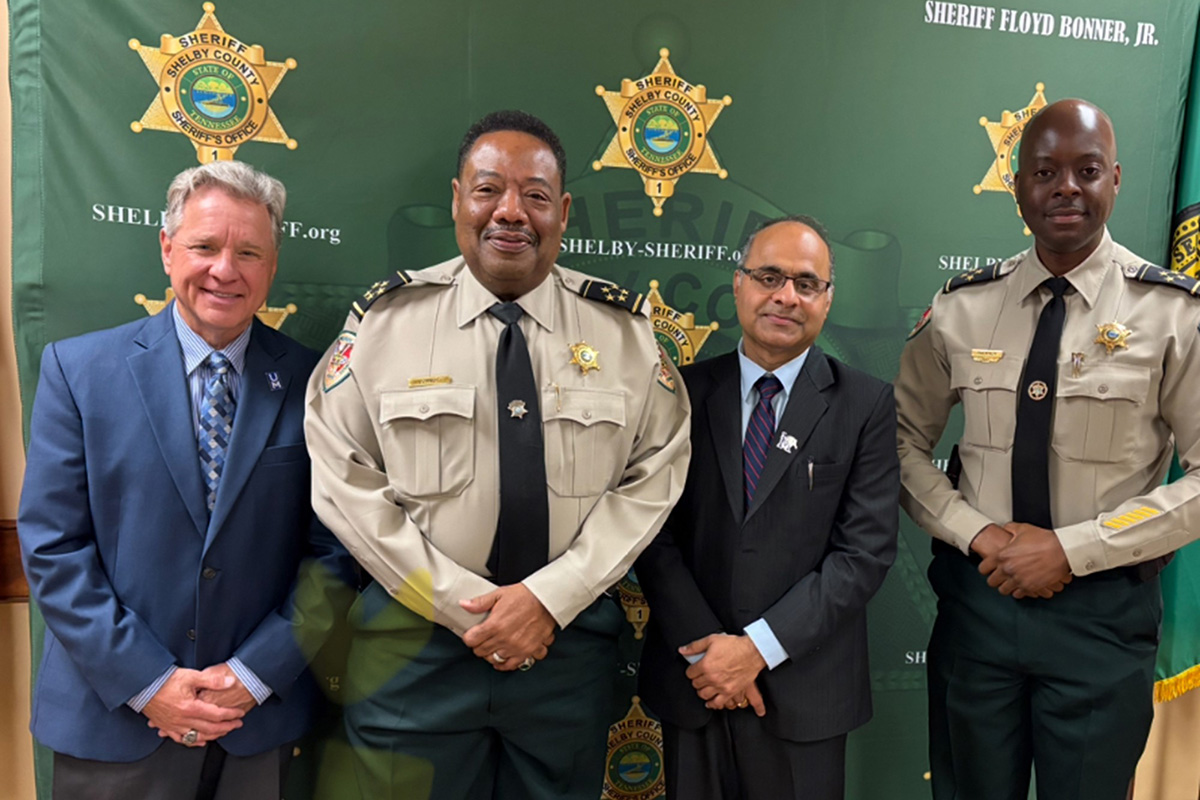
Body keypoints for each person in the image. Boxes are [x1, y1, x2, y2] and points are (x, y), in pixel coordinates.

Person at [304, 109, 692, 800]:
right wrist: (464, 608)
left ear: (563, 211)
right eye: (488, 190)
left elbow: (654, 475)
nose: (511, 212)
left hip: (563, 655)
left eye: (535, 196)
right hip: (414, 652)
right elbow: (342, 480)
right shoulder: (386, 324)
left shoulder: (626, 336)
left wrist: (548, 599)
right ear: (458, 199)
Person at [895, 99, 1200, 800]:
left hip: (1103, 618)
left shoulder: (1174, 315)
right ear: (1019, 188)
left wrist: (1074, 549)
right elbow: (898, 445)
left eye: (1086, 170)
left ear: (1116, 179)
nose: (1066, 186)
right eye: (1045, 171)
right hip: (979, 608)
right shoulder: (962, 307)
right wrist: (980, 535)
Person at [18, 161, 353, 799]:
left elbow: (334, 553)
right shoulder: (77, 370)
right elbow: (53, 546)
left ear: (272, 264)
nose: (226, 270)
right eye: (205, 246)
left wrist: (253, 676)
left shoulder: (319, 383)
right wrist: (151, 684)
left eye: (249, 251)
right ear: (168, 249)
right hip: (114, 721)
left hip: (257, 723)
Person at [635, 216, 899, 800]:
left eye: (807, 284)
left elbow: (865, 553)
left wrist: (756, 649)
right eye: (769, 277)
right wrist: (712, 653)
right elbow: (650, 534)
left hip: (806, 693)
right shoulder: (680, 393)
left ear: (828, 300)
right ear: (738, 284)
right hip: (695, 682)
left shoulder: (866, 404)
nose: (786, 296)